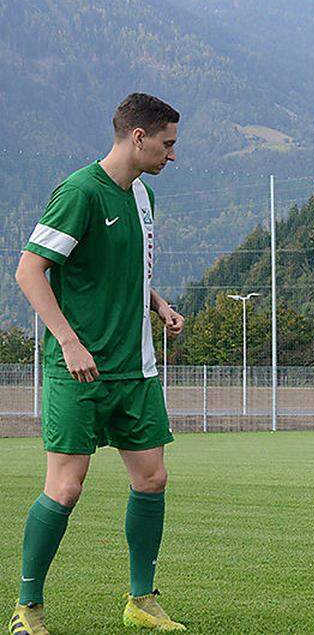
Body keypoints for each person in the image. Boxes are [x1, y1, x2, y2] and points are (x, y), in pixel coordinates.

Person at [10, 93, 188, 634]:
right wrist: (67, 341)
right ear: (139, 137)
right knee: (65, 488)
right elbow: (29, 272)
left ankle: (141, 599)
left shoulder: (144, 197)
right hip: (80, 368)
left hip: (135, 368)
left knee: (153, 479)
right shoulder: (80, 192)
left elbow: (127, 270)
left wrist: (157, 304)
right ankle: (27, 608)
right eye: (167, 143)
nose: (172, 154)